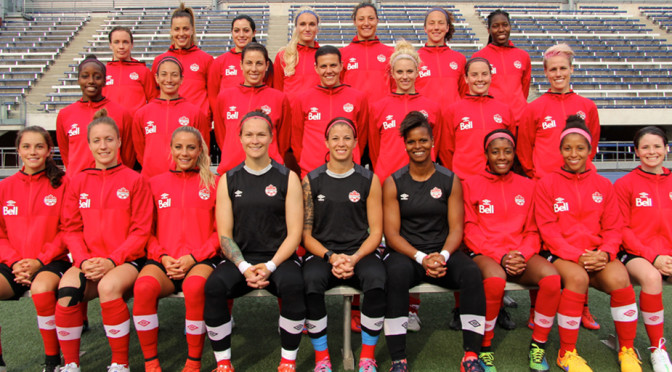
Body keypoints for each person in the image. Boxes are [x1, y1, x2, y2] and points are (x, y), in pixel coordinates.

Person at [534, 116, 641, 372]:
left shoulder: (603, 185)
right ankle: (567, 352)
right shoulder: (547, 183)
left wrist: (605, 252)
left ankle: (626, 349)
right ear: (560, 150)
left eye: (580, 148)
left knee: (621, 279)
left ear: (590, 150)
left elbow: (614, 227)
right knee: (578, 279)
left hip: (597, 253)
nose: (574, 154)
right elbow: (547, 230)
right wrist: (575, 255)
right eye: (568, 148)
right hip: (561, 254)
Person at [382, 111, 486, 372]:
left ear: (432, 142)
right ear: (405, 144)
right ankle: (398, 359)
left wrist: (443, 256)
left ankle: (471, 355)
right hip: (409, 256)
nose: (418, 147)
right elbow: (392, 235)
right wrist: (421, 258)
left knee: (472, 273)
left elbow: (456, 228)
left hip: (443, 254)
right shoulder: (393, 182)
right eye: (412, 142)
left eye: (423, 140)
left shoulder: (449, 179)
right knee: (394, 275)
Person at [204, 110, 305, 372]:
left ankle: (287, 362)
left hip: (279, 259)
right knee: (214, 286)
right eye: (249, 134)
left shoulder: (288, 177)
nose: (255, 140)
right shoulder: (228, 179)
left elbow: (295, 234)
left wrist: (270, 266)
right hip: (241, 260)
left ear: (272, 137)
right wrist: (243, 267)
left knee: (294, 284)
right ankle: (223, 362)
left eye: (261, 134)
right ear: (239, 138)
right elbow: (225, 234)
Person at [55, 109, 153, 372]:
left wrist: (112, 259)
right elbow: (70, 228)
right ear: (88, 144)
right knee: (65, 291)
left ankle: (120, 363)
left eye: (109, 139)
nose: (103, 146)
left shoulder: (136, 180)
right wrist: (84, 260)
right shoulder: (77, 182)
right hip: (88, 262)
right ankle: (71, 363)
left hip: (126, 261)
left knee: (108, 287)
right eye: (97, 140)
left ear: (120, 141)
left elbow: (141, 231)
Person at [462, 129, 561, 372]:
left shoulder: (528, 186)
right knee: (495, 280)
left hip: (520, 254)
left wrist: (521, 254)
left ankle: (538, 346)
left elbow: (533, 230)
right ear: (486, 154)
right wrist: (501, 256)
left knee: (552, 279)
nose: (502, 157)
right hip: (487, 254)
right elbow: (470, 230)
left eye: (507, 151)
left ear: (514, 153)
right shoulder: (471, 184)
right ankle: (485, 347)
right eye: (495, 152)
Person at [133, 126, 219, 372]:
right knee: (143, 287)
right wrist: (162, 256)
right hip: (164, 260)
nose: (184, 153)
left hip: (200, 260)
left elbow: (220, 232)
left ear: (200, 150)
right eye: (179, 147)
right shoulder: (154, 184)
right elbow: (145, 230)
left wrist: (194, 257)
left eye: (191, 147)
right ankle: (151, 363)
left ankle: (193, 362)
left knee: (194, 287)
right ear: (170, 149)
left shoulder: (214, 183)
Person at [302, 117, 385, 372]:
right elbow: (306, 235)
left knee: (377, 278)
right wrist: (331, 256)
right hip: (323, 253)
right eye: (335, 138)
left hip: (359, 252)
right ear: (326, 142)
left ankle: (367, 356)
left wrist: (354, 258)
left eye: (347, 138)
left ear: (356, 143)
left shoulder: (369, 180)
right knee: (310, 281)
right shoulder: (310, 180)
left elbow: (377, 232)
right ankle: (322, 357)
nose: (341, 143)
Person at [0, 127, 70, 372]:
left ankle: (52, 360)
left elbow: (67, 230)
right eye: (27, 146)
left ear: (49, 150)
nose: (33, 152)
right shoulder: (5, 187)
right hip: (14, 263)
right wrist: (15, 262)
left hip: (51, 261)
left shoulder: (63, 184)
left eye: (39, 146)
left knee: (41, 291)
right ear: (18, 150)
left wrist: (39, 261)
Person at [615, 126, 672, 372]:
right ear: (636, 151)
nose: (652, 152)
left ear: (666, 149)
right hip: (635, 252)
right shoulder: (625, 184)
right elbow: (622, 229)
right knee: (651, 277)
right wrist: (654, 257)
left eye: (657, 146)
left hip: (667, 252)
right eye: (645, 147)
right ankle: (657, 348)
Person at [518, 43, 600, 180]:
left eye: (563, 68)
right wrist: (539, 175)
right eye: (553, 69)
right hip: (545, 184)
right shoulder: (533, 108)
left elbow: (591, 146)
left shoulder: (588, 107)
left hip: (579, 182)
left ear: (571, 69)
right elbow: (524, 150)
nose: (558, 74)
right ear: (545, 72)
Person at [369, 39, 442, 184]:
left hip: (423, 179)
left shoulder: (432, 108)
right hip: (388, 179)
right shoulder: (378, 107)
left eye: (409, 71)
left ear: (417, 72)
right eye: (400, 72)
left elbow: (436, 144)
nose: (405, 76)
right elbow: (374, 148)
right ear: (392, 73)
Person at [213, 43, 290, 174]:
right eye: (249, 63)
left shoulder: (279, 98)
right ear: (241, 65)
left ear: (266, 66)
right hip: (232, 170)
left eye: (259, 63)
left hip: (268, 171)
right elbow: (222, 136)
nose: (254, 69)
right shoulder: (225, 96)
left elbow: (283, 141)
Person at [291, 46, 368, 177]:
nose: (329, 71)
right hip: (312, 172)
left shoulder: (358, 98)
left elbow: (361, 136)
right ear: (316, 68)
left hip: (349, 171)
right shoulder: (302, 99)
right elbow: (296, 140)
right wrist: (307, 162)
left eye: (333, 65)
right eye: (323, 66)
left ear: (341, 66)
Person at [132, 56, 210, 178]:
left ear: (181, 79)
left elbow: (203, 150)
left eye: (174, 75)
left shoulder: (195, 113)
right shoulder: (142, 114)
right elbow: (140, 151)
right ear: (156, 78)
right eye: (164, 74)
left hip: (184, 180)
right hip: (151, 180)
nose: (169, 80)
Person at [56, 55, 134, 175]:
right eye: (85, 76)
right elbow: (66, 155)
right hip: (78, 186)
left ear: (104, 81)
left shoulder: (122, 113)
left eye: (97, 77)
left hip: (113, 183)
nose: (91, 81)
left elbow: (127, 157)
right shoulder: (65, 114)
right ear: (78, 80)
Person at [440, 57, 513, 180]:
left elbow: (511, 147)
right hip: (465, 182)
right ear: (466, 78)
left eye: (484, 74)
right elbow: (446, 151)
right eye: (474, 75)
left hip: (497, 180)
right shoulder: (452, 111)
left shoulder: (505, 110)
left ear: (491, 76)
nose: (480, 79)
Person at [152, 3, 213, 118]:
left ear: (192, 30)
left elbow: (212, 96)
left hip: (197, 125)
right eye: (177, 29)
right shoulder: (159, 60)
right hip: (169, 121)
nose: (181, 34)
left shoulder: (206, 59)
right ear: (171, 31)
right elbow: (155, 96)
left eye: (185, 29)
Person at [472, 9, 530, 129]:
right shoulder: (479, 57)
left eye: (505, 25)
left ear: (510, 26)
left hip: (519, 121)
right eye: (495, 26)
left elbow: (524, 88)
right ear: (488, 30)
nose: (501, 29)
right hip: (492, 121)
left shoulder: (523, 56)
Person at [208, 14, 272, 106]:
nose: (241, 35)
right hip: (230, 116)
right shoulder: (219, 62)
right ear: (232, 32)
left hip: (256, 117)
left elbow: (269, 93)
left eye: (246, 31)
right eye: (236, 31)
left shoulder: (263, 62)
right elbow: (213, 96)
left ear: (253, 33)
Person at [340, 2, 394, 104]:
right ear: (354, 22)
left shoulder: (390, 53)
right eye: (361, 19)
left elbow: (397, 87)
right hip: (353, 113)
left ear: (377, 20)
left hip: (382, 114)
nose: (366, 23)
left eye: (371, 18)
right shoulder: (342, 54)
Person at [416, 7, 467, 106]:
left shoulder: (459, 59)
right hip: (425, 118)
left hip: (452, 118)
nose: (436, 27)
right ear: (425, 28)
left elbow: (465, 93)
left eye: (441, 23)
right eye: (431, 23)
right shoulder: (415, 58)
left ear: (447, 27)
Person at [103, 26, 157, 114]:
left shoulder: (143, 71)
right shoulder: (103, 72)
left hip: (135, 125)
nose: (121, 46)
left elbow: (153, 99)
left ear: (132, 45)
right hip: (110, 125)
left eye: (125, 42)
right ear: (110, 45)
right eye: (116, 42)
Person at [274, 6, 320, 99]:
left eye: (312, 24)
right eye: (302, 24)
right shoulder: (283, 55)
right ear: (296, 27)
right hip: (289, 112)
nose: (307, 29)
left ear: (317, 28)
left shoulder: (323, 56)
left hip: (315, 112)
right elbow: (277, 90)